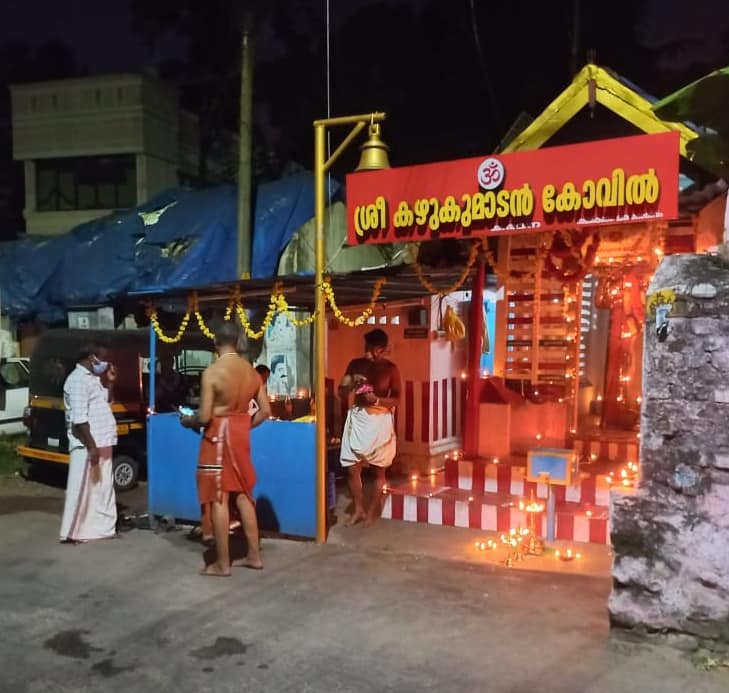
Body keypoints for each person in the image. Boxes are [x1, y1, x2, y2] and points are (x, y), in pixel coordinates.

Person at [181, 321, 270, 576]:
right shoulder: (251, 372)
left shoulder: (212, 372)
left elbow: (205, 415)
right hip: (240, 434)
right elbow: (265, 411)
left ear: (215, 342)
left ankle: (222, 563)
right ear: (238, 341)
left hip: (217, 437)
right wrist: (243, 426)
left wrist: (188, 420)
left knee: (219, 497)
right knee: (244, 494)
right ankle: (254, 556)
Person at [338, 328, 401, 526]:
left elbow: (397, 399)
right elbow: (342, 391)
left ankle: (373, 509)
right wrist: (350, 385)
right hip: (358, 418)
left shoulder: (390, 369)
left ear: (380, 349)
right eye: (366, 347)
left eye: (371, 348)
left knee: (379, 470)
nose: (366, 351)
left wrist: (377, 400)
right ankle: (358, 509)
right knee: (351, 468)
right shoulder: (355, 364)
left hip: (379, 420)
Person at [59, 341, 119, 544]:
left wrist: (110, 382)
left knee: (101, 488)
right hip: (88, 445)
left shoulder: (92, 379)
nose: (105, 362)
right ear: (91, 356)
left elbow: (106, 402)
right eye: (102, 357)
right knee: (82, 489)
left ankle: (100, 529)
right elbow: (79, 418)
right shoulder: (77, 380)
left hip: (103, 441)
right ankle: (73, 532)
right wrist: (91, 446)